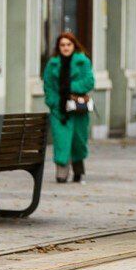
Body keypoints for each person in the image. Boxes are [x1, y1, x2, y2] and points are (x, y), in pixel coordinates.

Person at [41, 32, 95, 183]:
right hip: (59, 109)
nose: (65, 48)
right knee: (61, 140)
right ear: (58, 47)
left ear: (74, 45)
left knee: (78, 140)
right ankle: (61, 173)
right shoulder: (52, 64)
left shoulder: (82, 61)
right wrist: (52, 102)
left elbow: (89, 82)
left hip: (78, 108)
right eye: (62, 45)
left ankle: (78, 170)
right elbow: (48, 85)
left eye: (68, 44)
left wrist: (70, 87)